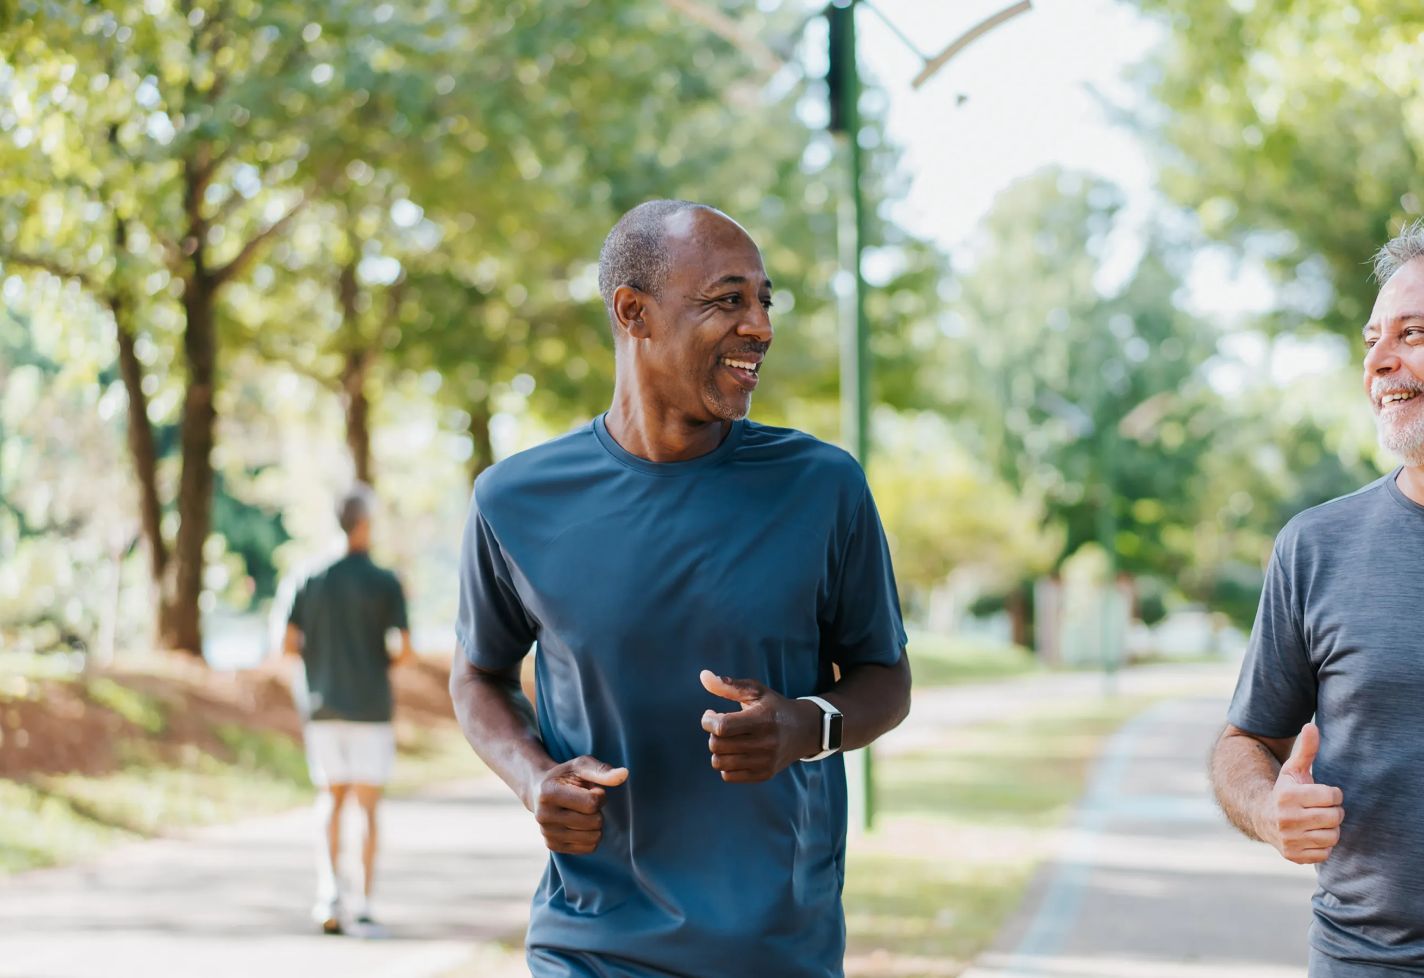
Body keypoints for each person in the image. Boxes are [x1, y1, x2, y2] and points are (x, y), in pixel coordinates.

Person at [450, 199, 912, 977]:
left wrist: (803, 726)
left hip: (776, 950)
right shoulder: (515, 500)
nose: (760, 325)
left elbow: (886, 680)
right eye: (728, 300)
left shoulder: (822, 487)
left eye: (764, 300)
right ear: (634, 313)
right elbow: (477, 674)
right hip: (588, 946)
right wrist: (535, 781)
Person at [1211, 219, 1424, 977]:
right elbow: (1246, 743)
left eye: (1414, 332)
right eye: (1372, 338)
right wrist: (1270, 811)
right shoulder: (1316, 547)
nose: (1380, 361)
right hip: (1365, 961)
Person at [283, 483, 415, 935]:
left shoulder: (309, 577)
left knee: (330, 799)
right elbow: (403, 648)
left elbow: (285, 643)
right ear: (363, 524)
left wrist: (319, 660)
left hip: (322, 707)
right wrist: (378, 658)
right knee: (368, 807)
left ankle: (329, 896)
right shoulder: (384, 581)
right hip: (371, 708)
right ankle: (363, 903)